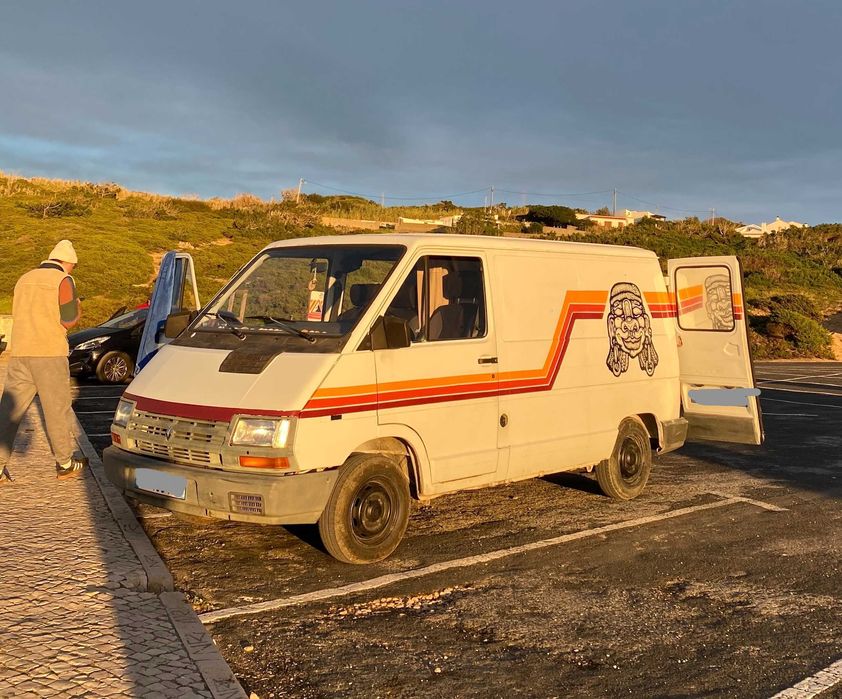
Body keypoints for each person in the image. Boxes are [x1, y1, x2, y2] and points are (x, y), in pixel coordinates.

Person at [0, 240, 87, 482]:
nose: (72, 271)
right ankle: (65, 463)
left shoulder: (24, 279)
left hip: (21, 352)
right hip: (49, 352)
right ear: (68, 262)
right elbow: (67, 320)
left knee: (9, 410)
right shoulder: (62, 280)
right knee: (56, 409)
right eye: (73, 266)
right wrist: (78, 310)